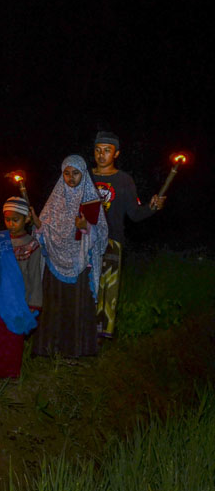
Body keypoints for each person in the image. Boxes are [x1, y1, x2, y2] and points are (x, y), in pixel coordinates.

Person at [92, 131, 166, 339]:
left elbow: (134, 214)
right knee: (87, 287)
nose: (101, 155)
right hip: (85, 242)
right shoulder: (85, 177)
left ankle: (101, 336)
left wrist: (152, 207)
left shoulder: (124, 180)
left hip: (112, 241)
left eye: (107, 151)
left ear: (116, 154)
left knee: (107, 290)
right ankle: (81, 333)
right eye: (98, 150)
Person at [32, 155, 108, 357]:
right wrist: (37, 225)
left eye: (75, 173)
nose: (71, 178)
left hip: (80, 264)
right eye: (67, 173)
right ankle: (50, 349)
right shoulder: (55, 200)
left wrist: (87, 228)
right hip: (55, 262)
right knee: (55, 306)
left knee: (77, 307)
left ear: (83, 174)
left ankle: (76, 351)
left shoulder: (90, 200)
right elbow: (43, 229)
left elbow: (101, 234)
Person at [0, 197, 43, 380]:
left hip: (20, 301)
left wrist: (34, 303)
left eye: (15, 220)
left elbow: (35, 276)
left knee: (14, 339)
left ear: (27, 219)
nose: (10, 224)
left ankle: (12, 375)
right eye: (7, 219)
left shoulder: (32, 245)